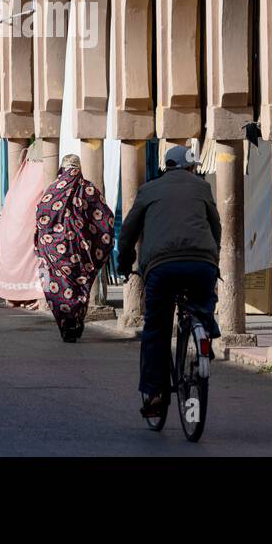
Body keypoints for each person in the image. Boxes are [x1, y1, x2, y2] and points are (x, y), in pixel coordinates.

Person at [117, 144, 221, 419]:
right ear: (192, 168)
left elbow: (127, 233)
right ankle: (204, 335)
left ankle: (155, 393)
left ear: (167, 166)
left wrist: (124, 263)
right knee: (202, 302)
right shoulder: (202, 188)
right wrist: (212, 258)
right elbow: (216, 227)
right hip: (201, 264)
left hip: (161, 267)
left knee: (156, 329)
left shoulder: (149, 190)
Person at [34, 154, 115, 343]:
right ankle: (76, 320)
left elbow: (41, 218)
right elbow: (104, 218)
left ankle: (66, 323)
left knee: (57, 288)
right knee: (80, 287)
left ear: (61, 169)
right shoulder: (89, 189)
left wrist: (45, 244)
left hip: (54, 254)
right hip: (81, 252)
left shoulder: (52, 190)